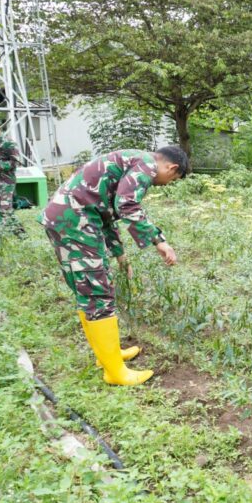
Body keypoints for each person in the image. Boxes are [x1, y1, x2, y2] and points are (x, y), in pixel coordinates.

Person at [38, 147, 188, 386]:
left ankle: (108, 356)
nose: (167, 183)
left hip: (67, 218)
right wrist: (159, 241)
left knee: (87, 289)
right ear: (172, 168)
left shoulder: (132, 159)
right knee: (97, 292)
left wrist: (120, 255)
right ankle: (115, 372)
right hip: (76, 221)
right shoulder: (147, 165)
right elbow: (126, 205)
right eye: (172, 179)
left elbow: (107, 211)